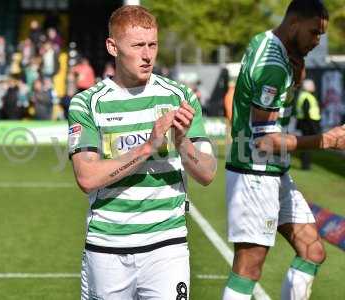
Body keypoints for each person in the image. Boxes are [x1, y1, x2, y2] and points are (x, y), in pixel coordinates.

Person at [67, 5, 217, 300]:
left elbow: (208, 173)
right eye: (137, 46)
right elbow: (86, 177)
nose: (148, 55)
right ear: (113, 46)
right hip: (107, 247)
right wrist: (149, 146)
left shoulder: (180, 96)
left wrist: (182, 140)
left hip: (167, 245)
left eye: (153, 45)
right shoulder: (87, 104)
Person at [224, 1, 345, 300]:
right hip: (255, 172)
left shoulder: (266, 41)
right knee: (248, 267)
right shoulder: (274, 66)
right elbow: (264, 141)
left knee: (312, 251)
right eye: (314, 33)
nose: (317, 41)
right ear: (293, 25)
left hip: (274, 172)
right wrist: (325, 141)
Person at [296, 79, 321, 170]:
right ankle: (305, 165)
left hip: (305, 122)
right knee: (307, 145)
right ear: (308, 87)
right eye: (312, 85)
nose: (314, 87)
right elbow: (307, 112)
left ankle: (305, 164)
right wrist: (313, 127)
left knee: (306, 144)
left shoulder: (304, 95)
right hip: (308, 123)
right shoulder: (306, 96)